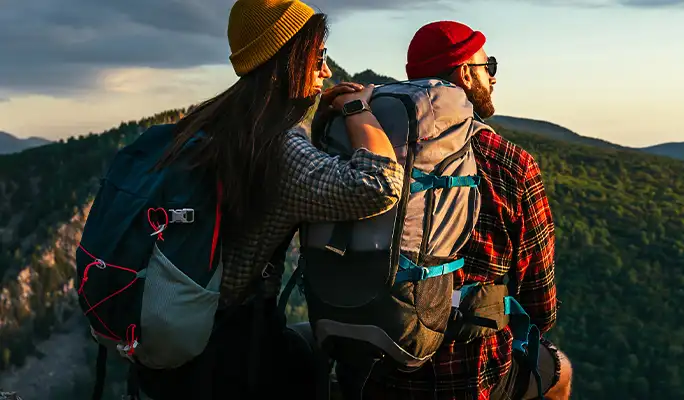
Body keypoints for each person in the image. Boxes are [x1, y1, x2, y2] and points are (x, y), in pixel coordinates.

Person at [135, 0, 403, 398]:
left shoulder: (209, 122)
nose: (326, 71)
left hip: (171, 340)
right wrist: (357, 109)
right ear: (287, 60)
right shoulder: (276, 144)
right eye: (320, 58)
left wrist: (323, 119)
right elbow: (379, 184)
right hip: (235, 356)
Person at [332, 20, 572, 400]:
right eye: (488, 65)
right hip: (470, 376)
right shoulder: (511, 164)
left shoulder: (364, 149)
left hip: (369, 367)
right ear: (465, 72)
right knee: (559, 372)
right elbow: (540, 307)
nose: (493, 76)